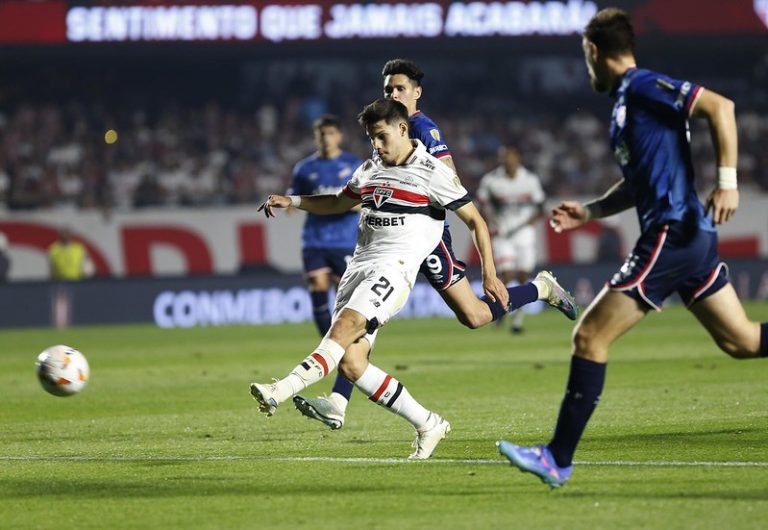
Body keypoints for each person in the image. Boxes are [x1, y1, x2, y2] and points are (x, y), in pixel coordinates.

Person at [498, 8, 768, 488]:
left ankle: (556, 458)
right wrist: (591, 211)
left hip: (672, 232)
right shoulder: (627, 102)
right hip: (689, 236)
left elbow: (721, 108)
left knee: (589, 338)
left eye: (586, 58)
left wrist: (727, 182)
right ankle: (556, 457)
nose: (586, 69)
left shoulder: (642, 85)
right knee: (741, 341)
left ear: (595, 52)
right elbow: (638, 182)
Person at [294, 59, 578, 430]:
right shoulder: (385, 131)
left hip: (425, 239)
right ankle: (338, 401)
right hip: (395, 241)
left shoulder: (423, 130)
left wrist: (485, 270)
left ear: (416, 93)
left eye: (399, 88)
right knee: (374, 312)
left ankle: (540, 288)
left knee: (472, 316)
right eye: (388, 90)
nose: (393, 94)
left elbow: (449, 181)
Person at [250, 98, 507, 459]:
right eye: (372, 139)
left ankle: (281, 388)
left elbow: (476, 221)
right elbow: (339, 202)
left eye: (382, 137)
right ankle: (428, 423)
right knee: (353, 364)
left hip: (393, 269)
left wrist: (489, 275)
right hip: (358, 266)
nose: (378, 146)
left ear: (402, 129)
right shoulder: (370, 167)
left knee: (342, 328)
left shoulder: (433, 172)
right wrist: (292, 200)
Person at [288, 115, 362, 338]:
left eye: (330, 134)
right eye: (321, 134)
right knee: (317, 289)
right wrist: (291, 203)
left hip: (345, 240)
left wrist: (346, 205)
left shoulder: (354, 165)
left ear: (339, 136)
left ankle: (347, 348)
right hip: (315, 239)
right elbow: (295, 196)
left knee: (346, 299)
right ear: (315, 137)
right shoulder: (304, 168)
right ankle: (328, 347)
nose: (326, 139)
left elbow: (365, 199)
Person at [477, 146, 546, 333]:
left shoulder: (530, 180)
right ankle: (499, 312)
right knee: (506, 276)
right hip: (503, 234)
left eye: (510, 156)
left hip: (524, 234)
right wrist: (490, 224)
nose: (507, 160)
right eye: (504, 157)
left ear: (518, 157)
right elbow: (481, 205)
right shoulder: (491, 181)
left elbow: (541, 208)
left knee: (523, 276)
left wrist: (528, 224)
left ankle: (517, 320)